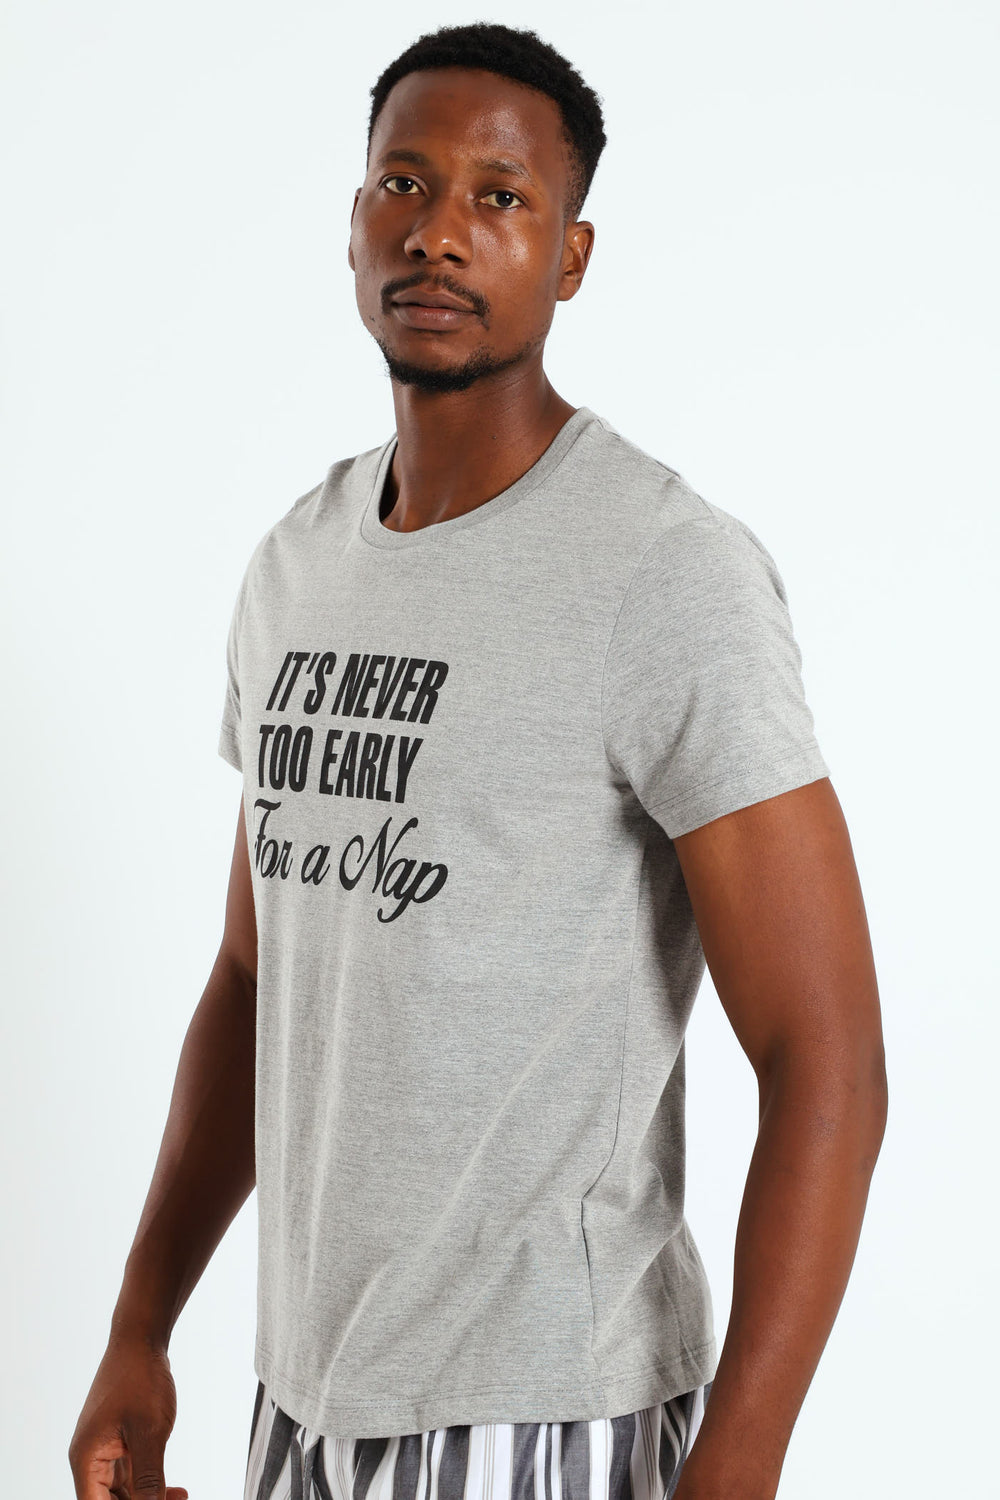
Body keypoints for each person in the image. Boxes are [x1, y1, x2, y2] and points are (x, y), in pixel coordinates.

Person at [68, 21, 888, 1500]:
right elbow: (256, 978)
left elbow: (825, 1059)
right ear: (353, 221)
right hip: (301, 1406)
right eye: (405, 182)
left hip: (544, 1417)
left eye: (500, 197)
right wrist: (141, 1326)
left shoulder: (663, 572)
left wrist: (744, 1460)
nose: (439, 231)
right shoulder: (296, 568)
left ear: (570, 257)